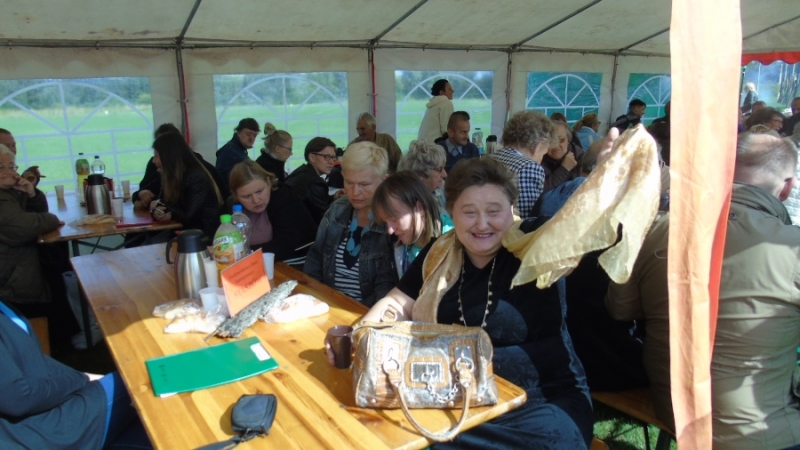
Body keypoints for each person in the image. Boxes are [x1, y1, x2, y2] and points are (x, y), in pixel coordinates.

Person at [351, 158, 593, 448]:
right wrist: (361, 335)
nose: (482, 223)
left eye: (494, 211)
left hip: (541, 400)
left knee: (553, 440)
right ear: (452, 212)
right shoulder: (439, 252)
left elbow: (583, 230)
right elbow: (398, 302)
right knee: (404, 427)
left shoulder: (537, 243)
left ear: (512, 209)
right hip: (457, 393)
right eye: (469, 212)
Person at [607, 133, 800, 448]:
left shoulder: (654, 228)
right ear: (788, 187)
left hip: (676, 411)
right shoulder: (792, 246)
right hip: (764, 430)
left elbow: (620, 308)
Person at [0, 298, 145, 449]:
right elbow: (17, 398)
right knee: (145, 376)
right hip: (36, 431)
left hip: (50, 408)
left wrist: (82, 378)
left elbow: (34, 358)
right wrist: (80, 379)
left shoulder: (3, 305)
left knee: (142, 417)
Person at [304, 142, 397, 307]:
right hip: (326, 304)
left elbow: (386, 285)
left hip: (367, 311)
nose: (354, 192)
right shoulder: (337, 209)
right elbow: (316, 259)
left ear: (384, 180)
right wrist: (315, 297)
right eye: (349, 182)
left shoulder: (392, 222)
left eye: (364, 185)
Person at [0, 145, 60, 316]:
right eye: (0, 167)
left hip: (18, 271)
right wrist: (53, 219)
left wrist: (31, 194)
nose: (8, 172)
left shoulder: (9, 191)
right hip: (9, 283)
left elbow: (37, 214)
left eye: (12, 166)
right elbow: (25, 227)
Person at [226, 160, 316, 262]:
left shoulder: (286, 199)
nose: (256, 200)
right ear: (236, 196)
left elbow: (283, 246)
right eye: (247, 196)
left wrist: (238, 253)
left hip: (295, 261)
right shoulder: (231, 205)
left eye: (259, 191)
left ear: (268, 182)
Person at [372, 171, 450, 278]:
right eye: (386, 222)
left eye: (394, 219)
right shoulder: (397, 245)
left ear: (420, 208)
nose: (390, 230)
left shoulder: (454, 241)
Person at [151, 133, 223, 239]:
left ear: (169, 157)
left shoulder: (195, 177)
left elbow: (189, 218)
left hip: (202, 236)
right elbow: (163, 203)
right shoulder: (170, 177)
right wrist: (156, 212)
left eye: (157, 156)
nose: (154, 161)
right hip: (185, 232)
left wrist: (165, 207)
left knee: (152, 243)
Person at [491, 111, 552, 218]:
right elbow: (527, 218)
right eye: (543, 154)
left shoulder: (491, 158)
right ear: (539, 146)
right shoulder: (529, 167)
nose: (541, 160)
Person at [284, 137, 338, 225]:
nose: (332, 162)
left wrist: (334, 197)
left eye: (333, 157)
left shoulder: (301, 172)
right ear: (312, 157)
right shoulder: (314, 182)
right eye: (327, 157)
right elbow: (325, 219)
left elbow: (312, 203)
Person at [397, 140, 448, 210]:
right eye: (439, 169)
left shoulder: (441, 188)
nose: (445, 175)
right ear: (421, 173)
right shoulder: (405, 202)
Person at [216, 118, 259, 195]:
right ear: (238, 133)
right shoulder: (230, 151)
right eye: (248, 134)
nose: (251, 138)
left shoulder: (236, 150)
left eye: (255, 136)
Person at [541, 120, 580, 192]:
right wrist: (564, 169)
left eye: (561, 140)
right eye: (551, 141)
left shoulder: (580, 157)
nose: (556, 146)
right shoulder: (538, 158)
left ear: (569, 140)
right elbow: (538, 191)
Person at [417, 79, 455, 144]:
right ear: (441, 92)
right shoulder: (446, 103)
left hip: (422, 145)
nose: (453, 91)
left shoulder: (433, 104)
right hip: (434, 146)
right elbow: (447, 130)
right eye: (449, 89)